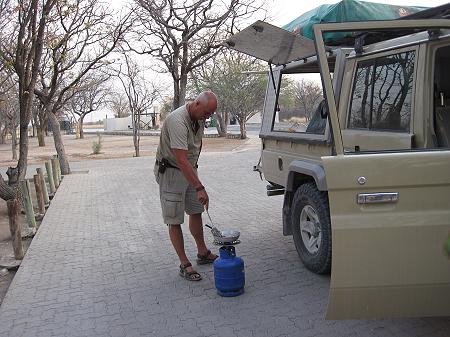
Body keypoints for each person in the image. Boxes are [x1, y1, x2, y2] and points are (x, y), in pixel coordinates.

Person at [154, 91, 218, 281]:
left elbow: (195, 148)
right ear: (196, 104)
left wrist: (196, 182)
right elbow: (181, 160)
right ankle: (184, 263)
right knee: (174, 219)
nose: (207, 118)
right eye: (206, 113)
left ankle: (202, 252)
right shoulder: (177, 121)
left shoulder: (198, 117)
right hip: (172, 172)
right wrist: (200, 187)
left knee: (196, 210)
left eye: (210, 115)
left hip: (189, 170)